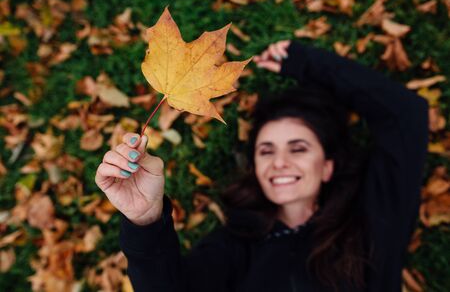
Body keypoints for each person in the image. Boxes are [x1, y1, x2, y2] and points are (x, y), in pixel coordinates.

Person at [95, 40, 429, 292]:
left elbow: (406, 115)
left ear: (328, 166)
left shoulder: (374, 218)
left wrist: (310, 64)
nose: (279, 162)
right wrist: (145, 222)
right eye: (266, 150)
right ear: (255, 166)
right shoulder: (234, 245)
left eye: (298, 148)